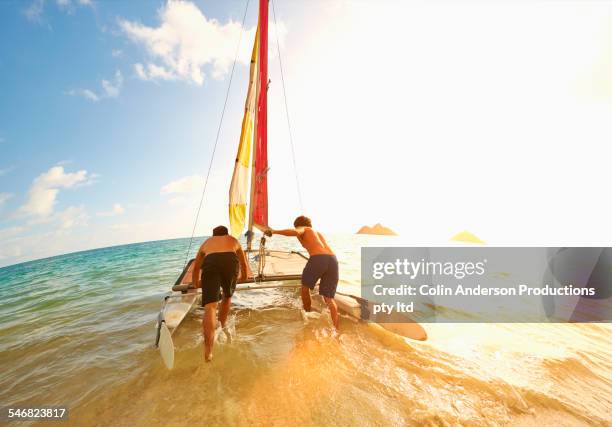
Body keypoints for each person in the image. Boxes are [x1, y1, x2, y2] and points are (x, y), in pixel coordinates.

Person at [265, 216, 339, 329]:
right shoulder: (316, 232)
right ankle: (336, 328)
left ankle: (308, 314)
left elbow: (295, 231)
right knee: (329, 298)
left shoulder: (304, 229)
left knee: (305, 289)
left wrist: (274, 231)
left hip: (318, 258)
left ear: (299, 225)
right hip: (333, 260)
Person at [192, 225, 251, 361]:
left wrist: (196, 283)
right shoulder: (233, 240)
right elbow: (243, 261)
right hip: (230, 261)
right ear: (226, 234)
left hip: (211, 262)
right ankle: (222, 326)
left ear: (213, 235)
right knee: (227, 296)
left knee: (210, 306)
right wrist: (244, 277)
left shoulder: (206, 243)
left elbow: (196, 266)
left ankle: (208, 351)